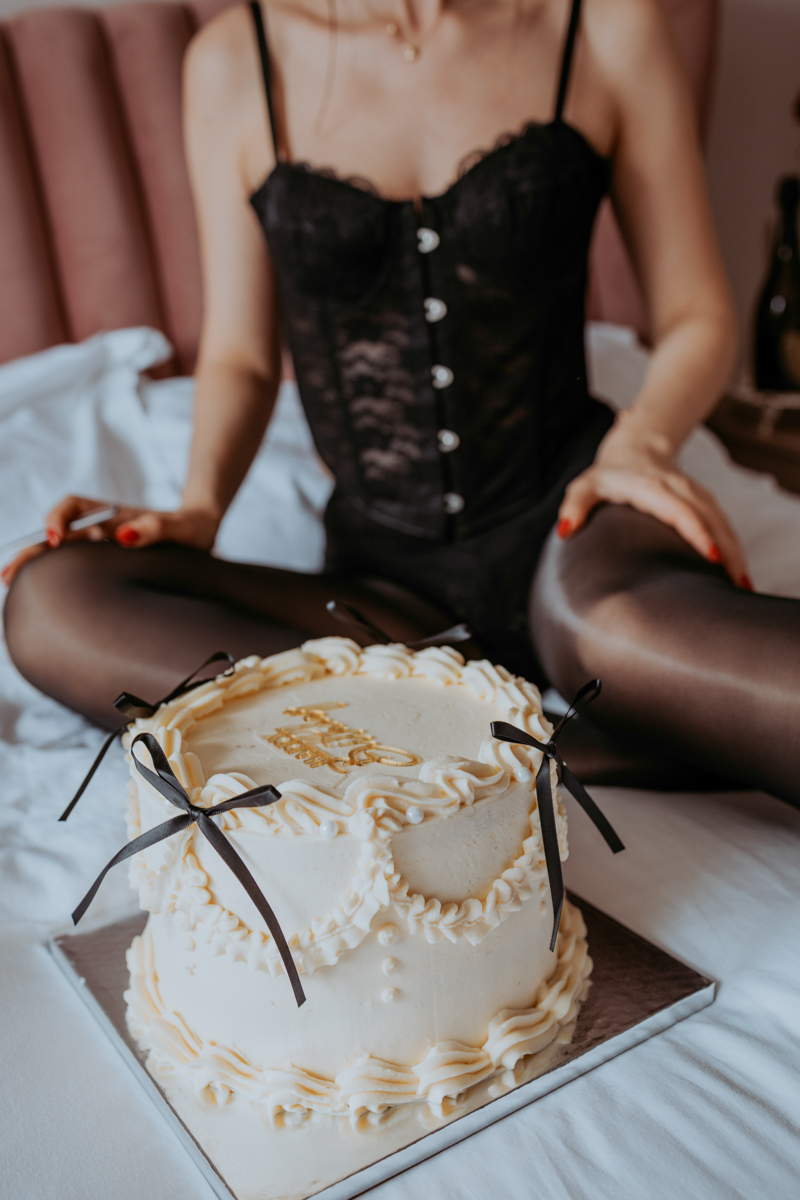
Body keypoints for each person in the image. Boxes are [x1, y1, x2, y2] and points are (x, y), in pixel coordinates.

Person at [3, 0, 799, 805]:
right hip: (385, 592)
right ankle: (573, 753)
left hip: (580, 522)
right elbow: (241, 357)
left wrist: (642, 445)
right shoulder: (236, 57)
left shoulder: (599, 24)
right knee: (51, 602)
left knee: (614, 633)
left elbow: (698, 313)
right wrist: (200, 510)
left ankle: (475, 730)